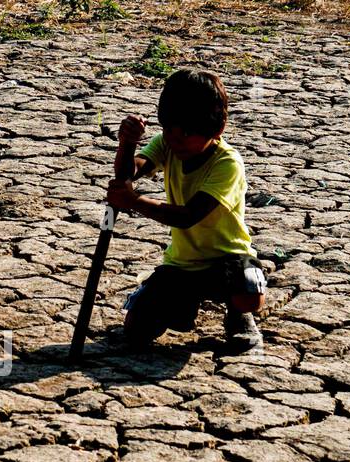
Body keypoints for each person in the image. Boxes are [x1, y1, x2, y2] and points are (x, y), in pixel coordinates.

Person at [105, 68, 267, 353]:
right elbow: (128, 175)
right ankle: (184, 305)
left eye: (185, 136)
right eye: (169, 132)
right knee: (136, 329)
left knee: (247, 293)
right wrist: (127, 144)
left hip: (226, 260)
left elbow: (188, 215)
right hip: (182, 265)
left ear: (216, 130)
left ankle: (238, 315)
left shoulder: (227, 164)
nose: (175, 141)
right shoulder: (167, 144)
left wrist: (133, 202)